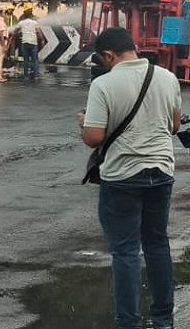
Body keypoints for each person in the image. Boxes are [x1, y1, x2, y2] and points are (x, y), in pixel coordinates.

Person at [78, 28, 182, 329]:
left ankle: (129, 323)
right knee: (157, 245)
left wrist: (85, 123)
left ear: (108, 55)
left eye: (102, 59)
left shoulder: (103, 84)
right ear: (133, 47)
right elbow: (174, 125)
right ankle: (164, 321)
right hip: (161, 173)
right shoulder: (167, 77)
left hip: (122, 177)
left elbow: (94, 137)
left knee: (125, 252)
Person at [13, 7, 43, 82]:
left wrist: (18, 33)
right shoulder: (34, 23)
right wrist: (42, 40)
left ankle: (26, 75)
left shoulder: (21, 23)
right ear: (31, 14)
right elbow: (39, 32)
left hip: (25, 42)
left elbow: (15, 30)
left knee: (26, 60)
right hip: (33, 43)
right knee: (35, 60)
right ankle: (35, 75)